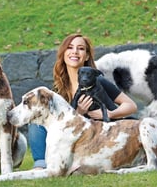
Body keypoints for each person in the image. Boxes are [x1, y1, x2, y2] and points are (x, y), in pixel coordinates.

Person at [28, 33, 138, 169]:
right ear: (63, 54)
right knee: (36, 120)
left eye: (80, 48)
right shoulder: (59, 90)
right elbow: (61, 124)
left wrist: (109, 114)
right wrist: (78, 112)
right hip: (76, 139)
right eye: (70, 47)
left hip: (101, 136)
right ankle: (40, 164)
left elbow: (131, 105)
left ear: (86, 56)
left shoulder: (98, 81)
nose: (75, 51)